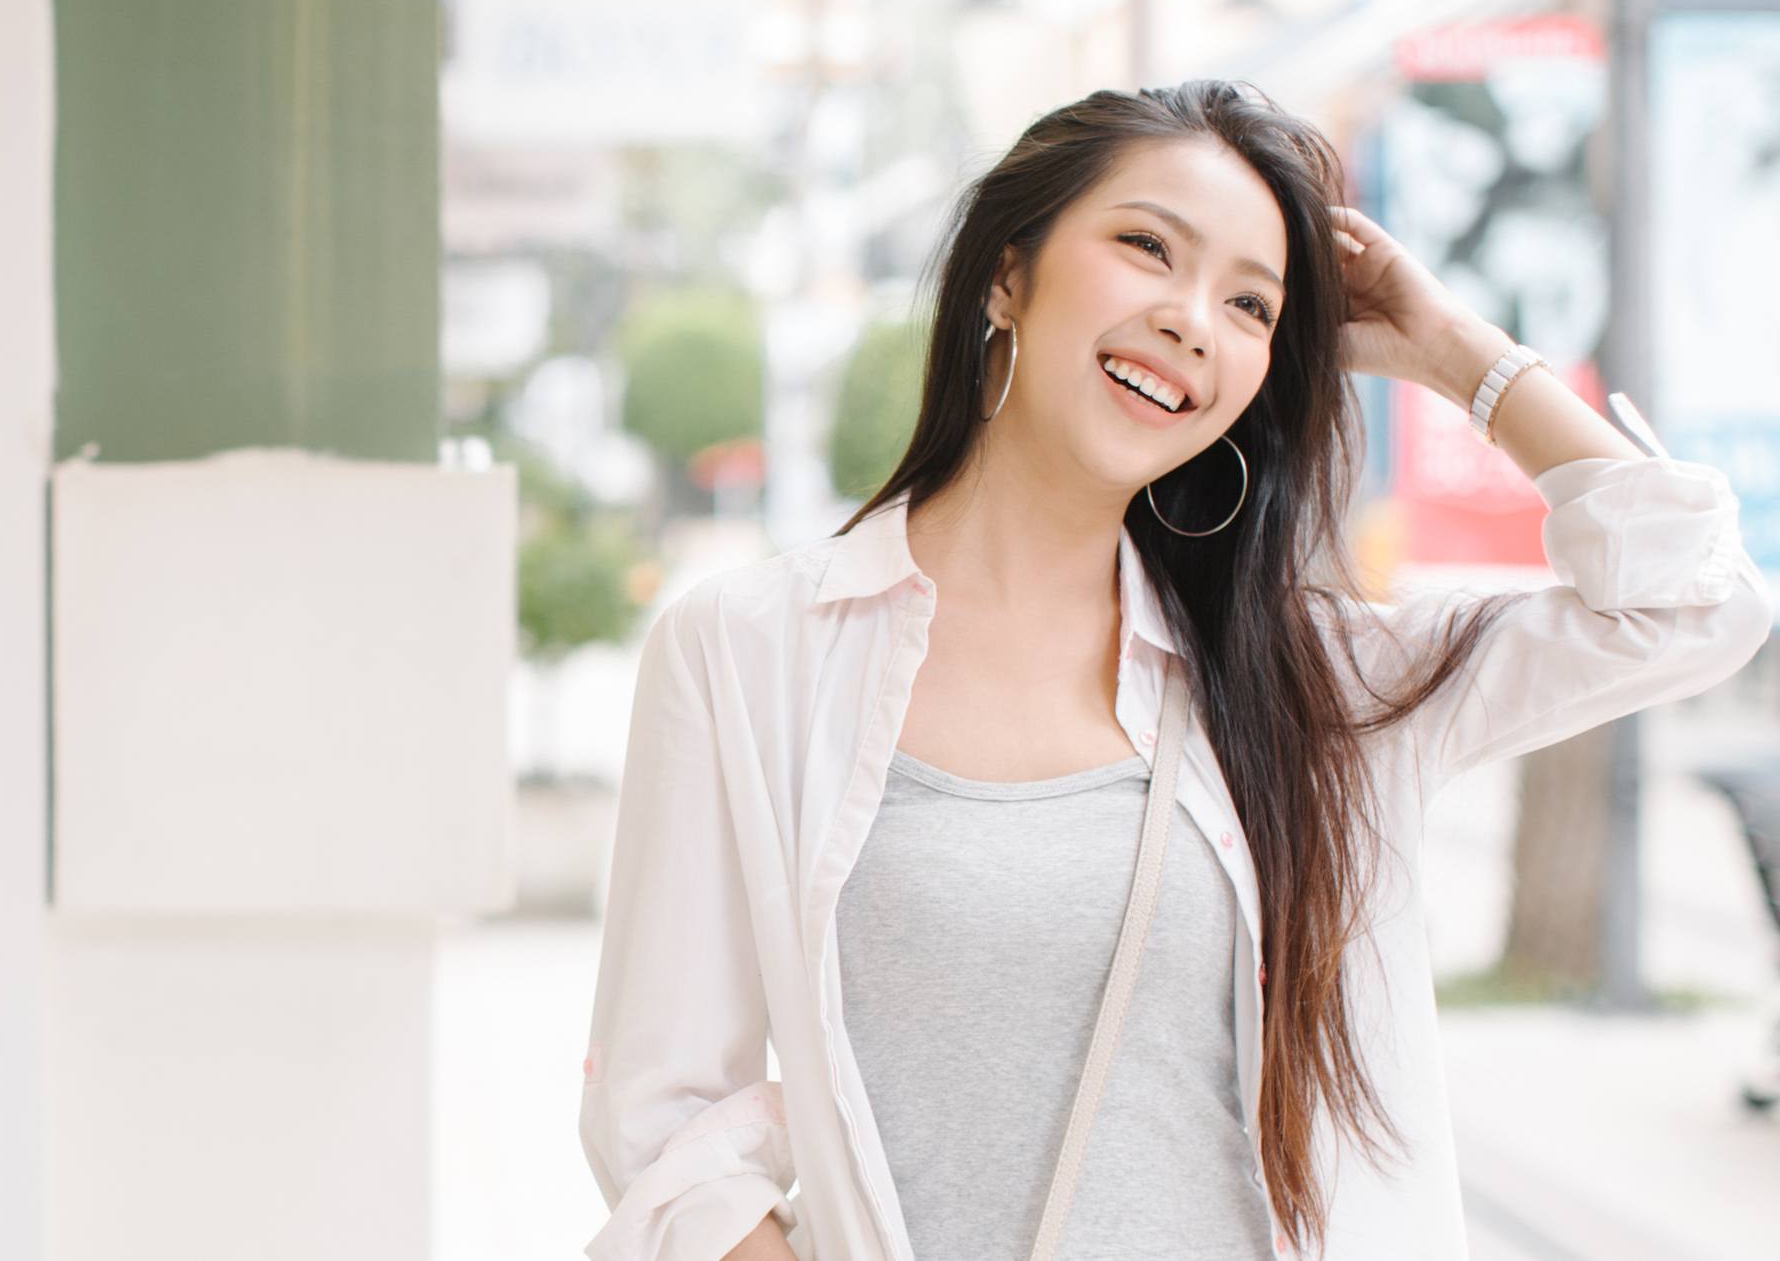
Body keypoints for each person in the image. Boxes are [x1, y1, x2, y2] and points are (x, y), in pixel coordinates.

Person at [576, 81, 1773, 1261]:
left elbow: (1693, 603)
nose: (1193, 319)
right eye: (1147, 247)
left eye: (1252, 307)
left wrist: (1455, 354)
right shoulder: (750, 648)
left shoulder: (1309, 684)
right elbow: (664, 1115)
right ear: (1006, 272)